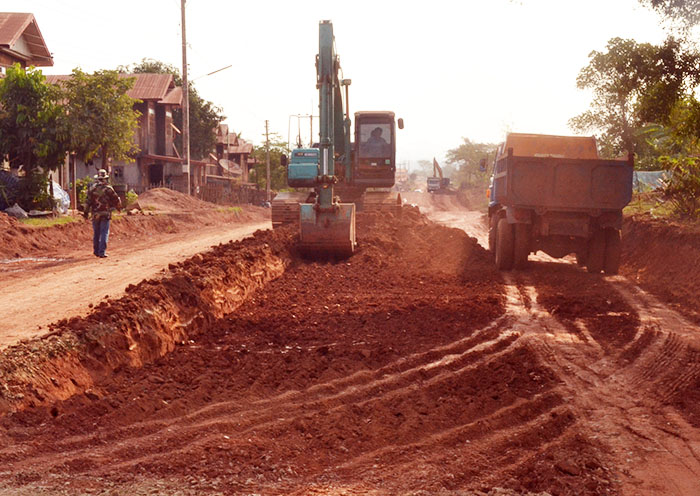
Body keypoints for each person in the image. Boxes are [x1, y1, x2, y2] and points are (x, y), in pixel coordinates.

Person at [84, 169, 121, 258]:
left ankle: (96, 251)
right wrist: (118, 209)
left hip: (95, 214)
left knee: (96, 233)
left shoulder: (92, 188)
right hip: (105, 213)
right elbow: (116, 200)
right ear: (106, 178)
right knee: (104, 232)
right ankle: (102, 252)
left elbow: (87, 202)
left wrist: (85, 214)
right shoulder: (109, 189)